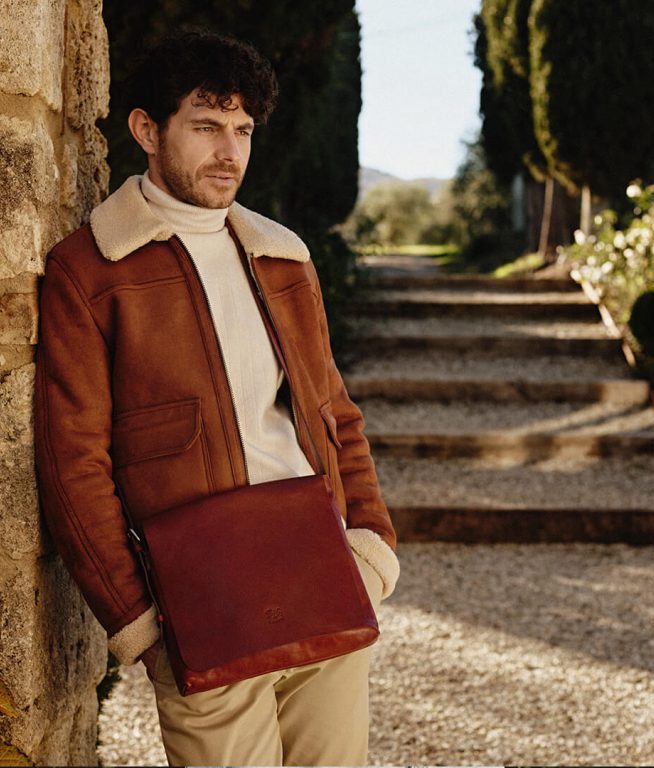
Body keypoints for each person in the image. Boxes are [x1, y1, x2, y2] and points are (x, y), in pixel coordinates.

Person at [33, 28, 399, 766]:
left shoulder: (284, 255)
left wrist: (371, 543)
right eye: (205, 127)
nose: (230, 152)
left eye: (243, 130)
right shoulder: (92, 271)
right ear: (147, 130)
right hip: (201, 604)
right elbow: (73, 463)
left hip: (321, 571)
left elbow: (334, 412)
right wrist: (139, 621)